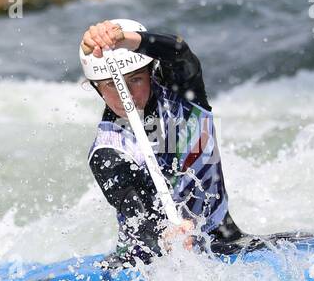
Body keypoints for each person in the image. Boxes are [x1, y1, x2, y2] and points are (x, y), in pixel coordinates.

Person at [81, 19, 248, 264]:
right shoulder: (108, 151)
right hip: (147, 260)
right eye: (112, 85)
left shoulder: (183, 96)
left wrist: (125, 40)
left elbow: (179, 51)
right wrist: (165, 234)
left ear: (151, 73)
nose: (125, 94)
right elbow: (141, 220)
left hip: (224, 238)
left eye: (136, 80)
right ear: (96, 88)